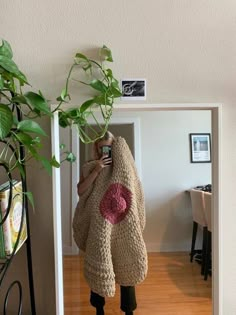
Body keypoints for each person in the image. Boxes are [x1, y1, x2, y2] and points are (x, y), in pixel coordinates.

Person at [73, 131, 148, 315]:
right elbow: (81, 191)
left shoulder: (124, 168)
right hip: (98, 226)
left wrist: (118, 144)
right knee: (99, 262)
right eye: (101, 148)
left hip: (122, 226)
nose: (104, 152)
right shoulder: (90, 167)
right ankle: (99, 308)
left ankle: (129, 310)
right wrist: (97, 169)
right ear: (96, 149)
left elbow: (134, 190)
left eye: (108, 147)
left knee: (126, 264)